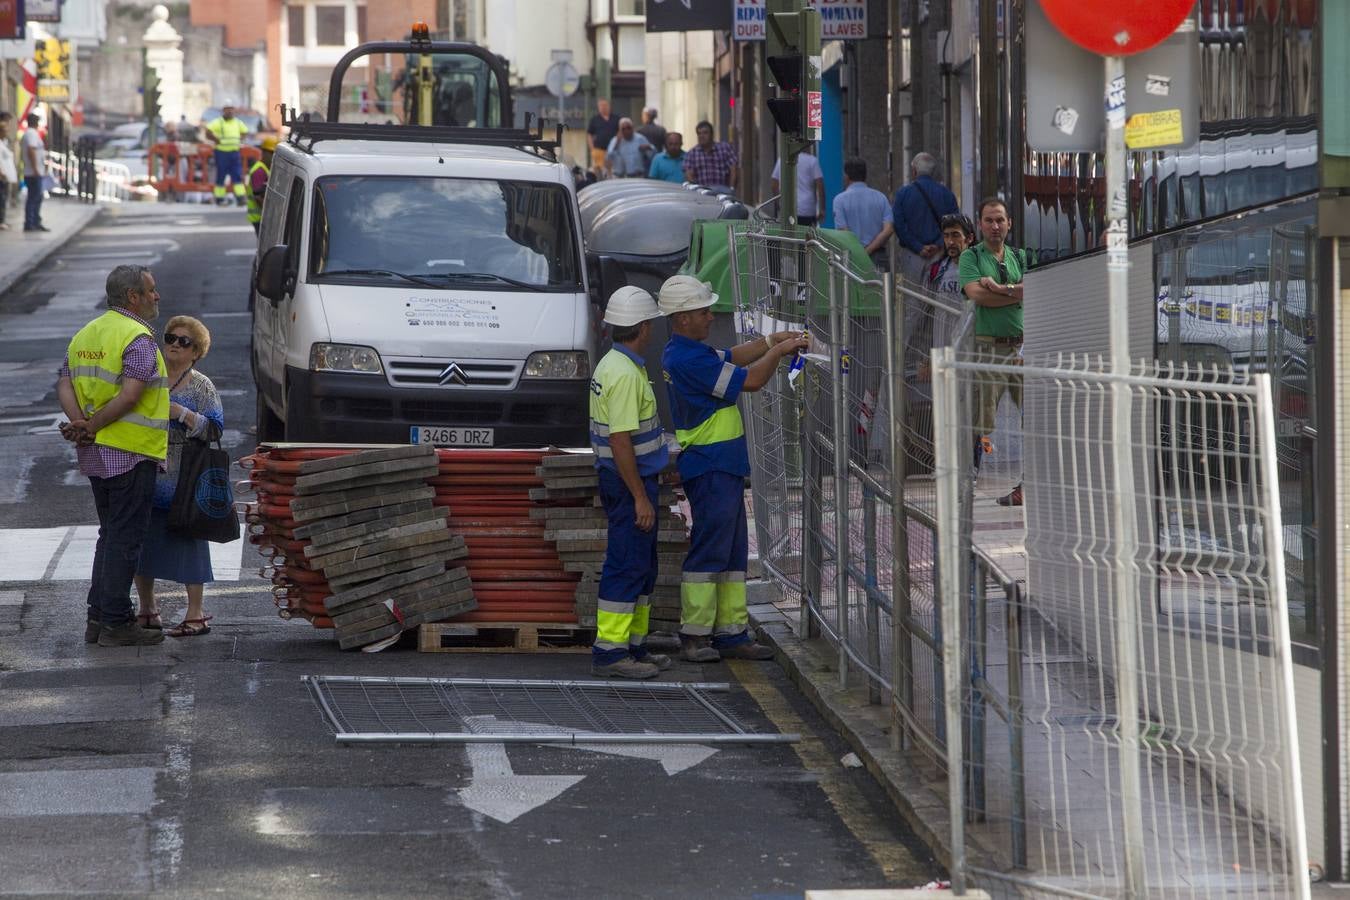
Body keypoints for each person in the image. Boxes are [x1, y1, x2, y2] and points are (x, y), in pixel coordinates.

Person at [659, 275, 809, 663]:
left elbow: (732, 356)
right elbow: (754, 379)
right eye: (703, 311)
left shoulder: (690, 351)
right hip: (710, 465)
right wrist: (781, 352)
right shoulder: (688, 359)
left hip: (720, 465)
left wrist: (771, 342)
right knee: (711, 550)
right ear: (681, 319)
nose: (711, 316)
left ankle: (731, 633)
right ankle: (694, 635)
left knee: (731, 553)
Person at [55, 265, 170, 647]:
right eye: (151, 291)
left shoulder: (86, 333)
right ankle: (117, 622)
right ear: (133, 297)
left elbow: (65, 381)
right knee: (125, 538)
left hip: (96, 455)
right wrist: (91, 425)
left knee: (110, 534)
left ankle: (97, 617)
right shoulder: (137, 338)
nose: (157, 296)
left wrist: (80, 422)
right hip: (131, 451)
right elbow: (130, 395)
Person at [588, 287, 673, 679]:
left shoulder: (620, 365)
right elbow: (620, 440)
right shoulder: (623, 373)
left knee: (642, 564)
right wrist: (640, 496)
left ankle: (633, 646)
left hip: (632, 479)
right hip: (628, 484)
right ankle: (611, 651)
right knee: (626, 563)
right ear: (643, 326)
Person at [134, 316, 224, 638]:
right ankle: (147, 608)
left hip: (184, 480)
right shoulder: (149, 378)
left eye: (183, 341)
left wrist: (182, 414)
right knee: (142, 540)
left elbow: (215, 428)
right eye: (171, 337)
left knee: (190, 541)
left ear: (196, 351)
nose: (174, 344)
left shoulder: (202, 386)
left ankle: (195, 614)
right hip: (147, 472)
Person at [959, 198, 1027, 506]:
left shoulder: (1020, 257)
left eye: (1000, 219)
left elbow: (1032, 289)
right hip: (989, 348)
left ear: (1009, 223)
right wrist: (1014, 294)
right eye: (989, 220)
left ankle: (1026, 485)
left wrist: (998, 289)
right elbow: (975, 294)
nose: (995, 226)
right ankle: (968, 481)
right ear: (981, 224)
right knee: (981, 418)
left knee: (1034, 416)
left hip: (1022, 347)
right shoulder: (970, 257)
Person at [892, 152, 959, 286]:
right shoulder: (947, 194)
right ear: (933, 172)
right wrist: (939, 244)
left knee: (911, 299)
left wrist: (918, 247)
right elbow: (955, 223)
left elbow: (899, 225)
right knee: (937, 296)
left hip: (911, 256)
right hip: (940, 255)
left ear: (914, 171)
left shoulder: (902, 194)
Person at [832, 157, 895, 267]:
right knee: (880, 284)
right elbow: (889, 229)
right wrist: (869, 250)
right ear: (865, 175)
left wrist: (860, 252)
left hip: (852, 257)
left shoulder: (839, 200)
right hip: (878, 257)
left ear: (846, 176)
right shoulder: (881, 197)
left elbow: (843, 231)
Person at [203, 103, 249, 206]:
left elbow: (245, 131)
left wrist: (241, 139)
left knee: (237, 175)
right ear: (223, 110)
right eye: (227, 109)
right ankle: (220, 198)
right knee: (221, 175)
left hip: (234, 152)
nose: (230, 111)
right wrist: (216, 140)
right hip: (221, 152)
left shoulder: (237, 122)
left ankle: (241, 198)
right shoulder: (218, 122)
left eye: (231, 109)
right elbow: (208, 131)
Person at [770, 149, 825, 226]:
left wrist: (779, 205)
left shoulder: (782, 160)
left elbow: (774, 184)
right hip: (807, 209)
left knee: (789, 235)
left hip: (788, 209)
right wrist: (822, 209)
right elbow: (820, 186)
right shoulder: (812, 161)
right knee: (808, 236)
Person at [682, 121, 739, 193]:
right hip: (703, 192)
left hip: (723, 190)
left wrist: (732, 188)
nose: (702, 136)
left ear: (712, 134)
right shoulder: (692, 154)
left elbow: (733, 169)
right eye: (699, 133)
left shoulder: (724, 148)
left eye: (705, 133)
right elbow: (689, 175)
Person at [21, 113, 49, 232]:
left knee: (37, 197)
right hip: (33, 172)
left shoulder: (30, 134)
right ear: (36, 122)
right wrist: (35, 168)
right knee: (34, 197)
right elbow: (31, 151)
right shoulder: (31, 134)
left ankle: (35, 221)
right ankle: (31, 222)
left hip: (34, 171)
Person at [247, 135, 276, 234]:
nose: (274, 156)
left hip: (263, 217)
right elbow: (258, 197)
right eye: (271, 153)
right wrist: (272, 214)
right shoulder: (259, 171)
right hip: (260, 218)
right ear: (264, 152)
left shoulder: (266, 168)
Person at [586, 98, 619, 177]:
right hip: (599, 151)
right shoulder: (594, 120)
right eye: (601, 106)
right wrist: (592, 149)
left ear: (609, 106)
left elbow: (620, 132)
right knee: (600, 173)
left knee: (612, 172)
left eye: (605, 105)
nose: (603, 107)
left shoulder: (616, 118)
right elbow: (589, 134)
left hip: (613, 151)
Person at [0, 112, 15, 231]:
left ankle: (2, 220)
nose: (8, 130)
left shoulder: (4, 141)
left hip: (5, 175)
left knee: (4, 198)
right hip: (2, 176)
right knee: (1, 198)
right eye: (5, 129)